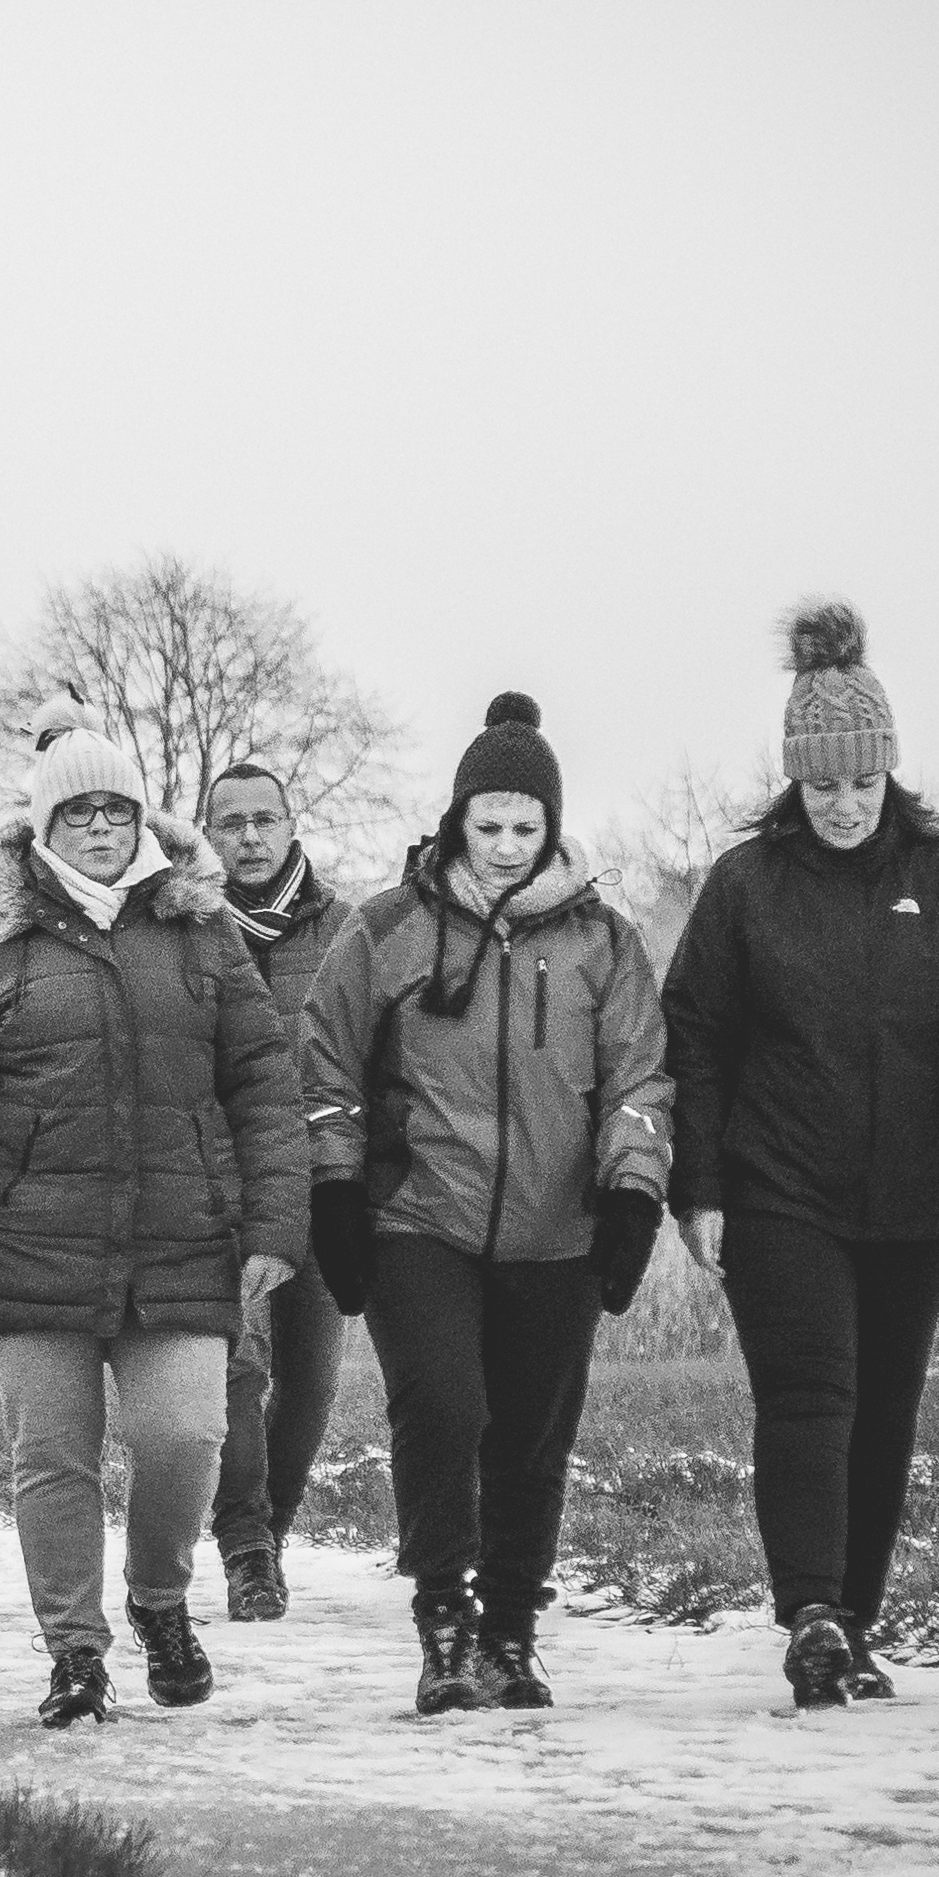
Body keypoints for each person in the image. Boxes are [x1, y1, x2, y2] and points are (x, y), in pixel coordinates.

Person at [0, 720, 307, 1728]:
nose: (101, 827)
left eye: (116, 808)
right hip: (30, 1241)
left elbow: (262, 1086)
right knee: (53, 1456)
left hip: (180, 1238)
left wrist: (275, 1223)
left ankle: (159, 1598)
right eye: (78, 812)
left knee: (186, 1433)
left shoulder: (201, 929)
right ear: (45, 826)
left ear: (140, 816)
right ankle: (74, 1651)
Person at [662, 603, 939, 1710]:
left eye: (862, 782)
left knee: (883, 1410)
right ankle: (812, 1611)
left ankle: (854, 1626)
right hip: (779, 1190)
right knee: (809, 1395)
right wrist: (699, 1189)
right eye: (822, 784)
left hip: (919, 1200)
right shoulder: (746, 885)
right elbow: (692, 1036)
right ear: (795, 779)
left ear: (889, 773)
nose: (842, 804)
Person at [298, 696, 671, 1714]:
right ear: (456, 818)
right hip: (418, 1217)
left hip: (558, 1229)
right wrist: (335, 1185)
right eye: (488, 824)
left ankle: (509, 1631)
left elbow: (639, 1078)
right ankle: (444, 1623)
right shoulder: (387, 928)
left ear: (552, 825)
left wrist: (632, 1190)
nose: (506, 846)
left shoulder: (605, 941)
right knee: (444, 1405)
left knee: (530, 1435)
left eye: (525, 827)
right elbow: (324, 1066)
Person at [198, 760, 357, 1625]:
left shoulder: (346, 930)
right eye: (232, 823)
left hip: (320, 1178)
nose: (250, 837)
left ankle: (272, 1527)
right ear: (208, 834)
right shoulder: (184, 925)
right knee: (236, 1363)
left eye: (265, 819)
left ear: (291, 825)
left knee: (310, 1377)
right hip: (219, 1183)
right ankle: (245, 1545)